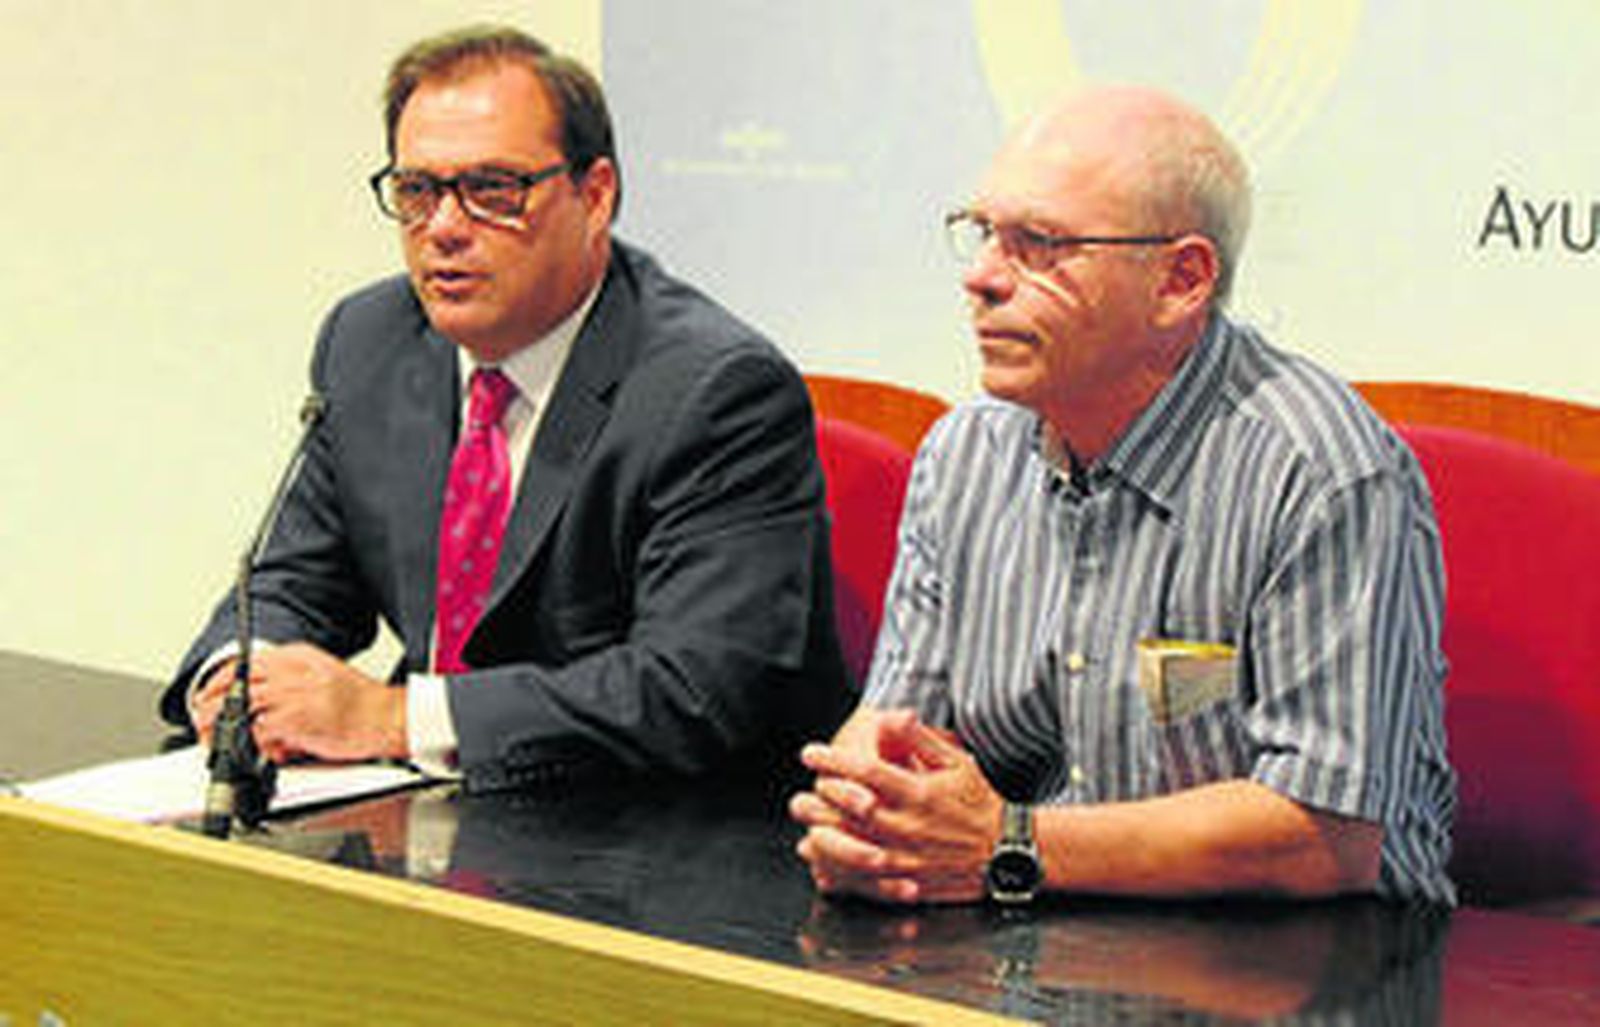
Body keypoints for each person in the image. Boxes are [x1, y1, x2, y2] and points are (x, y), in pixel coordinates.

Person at [790, 85, 1456, 905]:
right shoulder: (963, 455)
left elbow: (1325, 836)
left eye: (1039, 244)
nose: (982, 278)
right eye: (982, 233)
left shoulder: (1320, 473)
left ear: (1181, 280)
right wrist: (865, 819)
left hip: (1308, 965)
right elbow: (893, 727)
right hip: (1043, 929)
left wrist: (1010, 841)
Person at [163, 26, 851, 790]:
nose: (445, 228)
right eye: (417, 191)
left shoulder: (715, 392)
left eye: (492, 189)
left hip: (660, 840)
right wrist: (238, 679)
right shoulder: (370, 341)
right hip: (441, 812)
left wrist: (393, 718)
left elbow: (693, 688)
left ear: (596, 197)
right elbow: (292, 581)